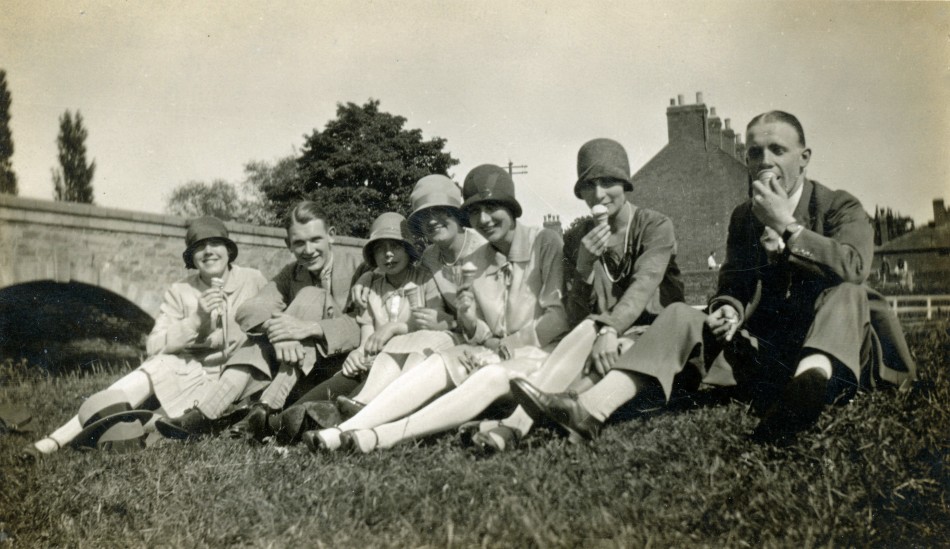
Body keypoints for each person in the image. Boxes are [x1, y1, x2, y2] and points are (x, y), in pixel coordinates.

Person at [513, 111, 917, 443]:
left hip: (843, 356)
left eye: (778, 150)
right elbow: (733, 283)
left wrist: (788, 227)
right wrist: (728, 308)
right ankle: (589, 409)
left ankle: (805, 392)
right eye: (755, 152)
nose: (765, 162)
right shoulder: (744, 216)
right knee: (679, 315)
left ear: (804, 157)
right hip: (772, 356)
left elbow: (854, 268)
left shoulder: (839, 206)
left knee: (847, 292)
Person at [304, 163, 568, 452]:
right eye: (477, 211)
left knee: (462, 359)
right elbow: (479, 328)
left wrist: (500, 342)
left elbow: (557, 318)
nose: (484, 218)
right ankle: (345, 429)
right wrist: (475, 327)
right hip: (486, 351)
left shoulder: (543, 242)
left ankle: (379, 435)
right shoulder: (470, 260)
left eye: (493, 207)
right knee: (437, 360)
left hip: (541, 356)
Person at [462, 138, 685, 453]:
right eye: (589, 185)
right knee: (584, 330)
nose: (598, 194)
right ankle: (516, 424)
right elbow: (577, 315)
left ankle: (511, 426)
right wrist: (582, 269)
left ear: (625, 183)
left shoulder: (654, 225)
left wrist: (610, 329)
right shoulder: (579, 237)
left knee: (602, 340)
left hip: (658, 333)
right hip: (602, 334)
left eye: (608, 182)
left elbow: (644, 286)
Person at [25, 216, 268, 456]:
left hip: (242, 381)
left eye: (215, 243)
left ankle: (118, 430)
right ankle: (56, 439)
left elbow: (274, 321)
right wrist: (195, 320)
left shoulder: (252, 280)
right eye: (199, 247)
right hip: (194, 378)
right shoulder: (180, 291)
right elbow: (154, 345)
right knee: (158, 364)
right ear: (191, 257)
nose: (208, 251)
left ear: (228, 249)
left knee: (152, 426)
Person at [272, 175, 487, 441]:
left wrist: (401, 325)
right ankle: (278, 421)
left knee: (406, 356)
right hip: (412, 342)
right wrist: (366, 282)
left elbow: (442, 317)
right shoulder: (431, 256)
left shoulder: (483, 249)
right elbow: (395, 275)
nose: (432, 221)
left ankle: (342, 420)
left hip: (468, 339)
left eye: (441, 212)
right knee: (359, 372)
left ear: (457, 211)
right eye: (424, 215)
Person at [156, 202, 362, 439]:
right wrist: (281, 334)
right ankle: (205, 413)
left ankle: (266, 407)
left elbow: (362, 326)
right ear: (288, 245)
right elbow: (249, 309)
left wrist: (307, 329)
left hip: (342, 366)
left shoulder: (359, 268)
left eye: (315, 240)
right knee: (258, 341)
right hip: (300, 365)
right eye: (299, 243)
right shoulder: (292, 273)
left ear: (331, 236)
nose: (308, 250)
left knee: (310, 296)